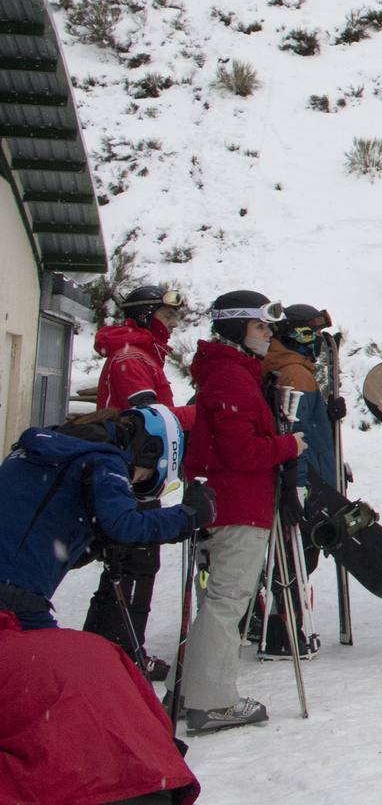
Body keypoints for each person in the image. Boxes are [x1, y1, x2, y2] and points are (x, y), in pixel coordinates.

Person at [184, 290, 306, 733]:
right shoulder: (232, 377)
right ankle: (211, 701)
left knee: (217, 600)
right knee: (226, 601)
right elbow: (241, 450)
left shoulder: (231, 372)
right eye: (260, 327)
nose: (267, 335)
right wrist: (288, 444)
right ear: (237, 328)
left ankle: (194, 690)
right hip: (237, 504)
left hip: (225, 499)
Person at [0, 403, 208, 632]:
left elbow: (44, 536)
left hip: (13, 589)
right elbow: (125, 526)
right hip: (14, 597)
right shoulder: (105, 459)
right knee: (45, 663)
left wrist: (97, 542)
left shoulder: (57, 447)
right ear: (149, 450)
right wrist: (188, 515)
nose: (133, 482)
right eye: (143, 477)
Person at [81, 283, 195, 676]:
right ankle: (120, 653)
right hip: (130, 473)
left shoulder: (143, 355)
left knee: (130, 563)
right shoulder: (133, 360)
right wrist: (199, 414)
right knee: (134, 563)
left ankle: (110, 651)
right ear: (146, 315)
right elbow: (151, 423)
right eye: (167, 316)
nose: (173, 324)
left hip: (136, 473)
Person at [0, 610, 200, 805]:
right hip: (153, 780)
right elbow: (155, 718)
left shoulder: (9, 658)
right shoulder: (91, 644)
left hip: (74, 791)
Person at [253, 303, 340, 660]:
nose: (317, 342)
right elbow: (296, 435)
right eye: (312, 334)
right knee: (295, 557)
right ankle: (282, 630)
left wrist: (328, 415)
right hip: (305, 479)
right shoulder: (294, 374)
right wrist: (301, 484)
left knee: (287, 556)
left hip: (302, 474)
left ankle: (272, 623)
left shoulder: (287, 368)